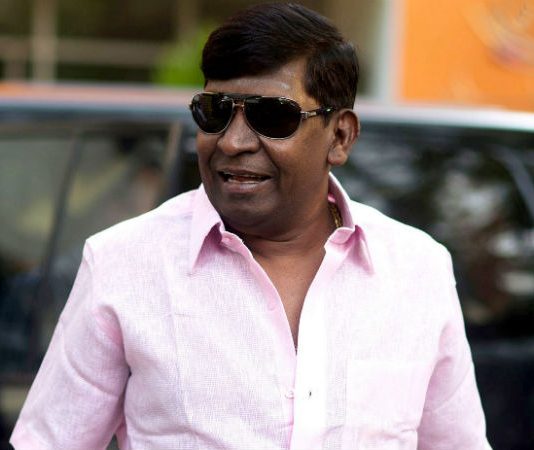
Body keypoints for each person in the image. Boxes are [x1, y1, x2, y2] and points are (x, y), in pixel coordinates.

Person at [11, 3, 491, 449]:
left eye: (272, 117)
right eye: (215, 112)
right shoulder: (123, 265)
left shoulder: (417, 270)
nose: (233, 141)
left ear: (340, 136)